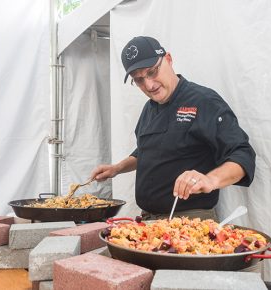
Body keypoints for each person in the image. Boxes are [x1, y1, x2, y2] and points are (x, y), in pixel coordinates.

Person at [90, 36, 256, 221]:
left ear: (168, 59)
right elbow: (145, 150)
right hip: (149, 221)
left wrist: (210, 180)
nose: (149, 85)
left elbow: (243, 155)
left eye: (152, 72)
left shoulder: (204, 101)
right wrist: (117, 168)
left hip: (190, 223)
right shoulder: (149, 108)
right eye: (139, 80)